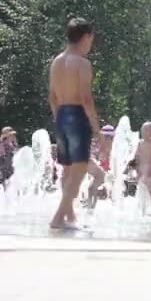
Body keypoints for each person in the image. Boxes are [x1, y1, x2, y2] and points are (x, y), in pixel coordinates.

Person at [48, 16, 100, 230]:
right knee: (79, 168)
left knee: (67, 168)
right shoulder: (83, 63)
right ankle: (59, 217)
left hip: (60, 114)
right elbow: (86, 99)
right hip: (77, 114)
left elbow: (52, 96)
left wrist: (58, 117)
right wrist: (97, 129)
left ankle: (70, 216)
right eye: (91, 40)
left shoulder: (56, 62)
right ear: (86, 37)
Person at [130, 122, 151, 216]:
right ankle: (143, 212)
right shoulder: (139, 143)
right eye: (142, 129)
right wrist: (133, 169)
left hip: (150, 171)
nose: (143, 131)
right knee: (141, 192)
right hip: (140, 171)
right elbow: (136, 157)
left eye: (146, 130)